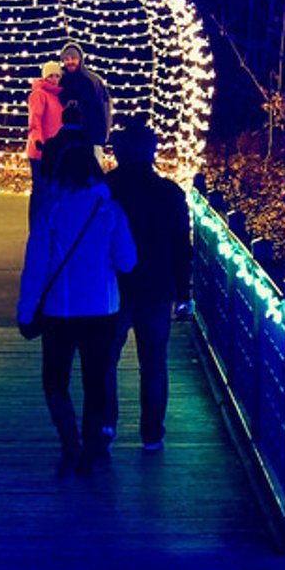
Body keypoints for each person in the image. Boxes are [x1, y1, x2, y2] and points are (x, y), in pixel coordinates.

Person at [18, 145, 137, 475]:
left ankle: (70, 442)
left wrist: (26, 311)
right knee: (95, 380)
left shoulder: (50, 212)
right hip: (102, 309)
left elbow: (36, 267)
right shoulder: (110, 211)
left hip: (59, 310)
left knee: (55, 381)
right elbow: (127, 262)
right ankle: (92, 446)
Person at [103, 124, 192, 451]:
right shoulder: (170, 193)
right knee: (154, 362)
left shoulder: (104, 189)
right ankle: (152, 433)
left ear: (119, 152)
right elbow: (182, 246)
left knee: (105, 361)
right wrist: (184, 293)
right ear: (152, 152)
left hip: (114, 288)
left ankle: (106, 427)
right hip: (157, 288)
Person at [57, 43, 112, 149]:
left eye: (73, 58)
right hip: (66, 139)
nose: (70, 62)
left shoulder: (92, 81)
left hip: (91, 136)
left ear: (80, 59)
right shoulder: (60, 81)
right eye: (66, 59)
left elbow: (104, 107)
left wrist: (104, 133)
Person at [25, 60, 65, 185]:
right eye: (51, 76)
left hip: (53, 152)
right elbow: (35, 120)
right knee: (40, 189)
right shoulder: (39, 94)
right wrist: (38, 141)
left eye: (57, 76)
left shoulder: (57, 97)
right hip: (41, 151)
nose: (54, 79)